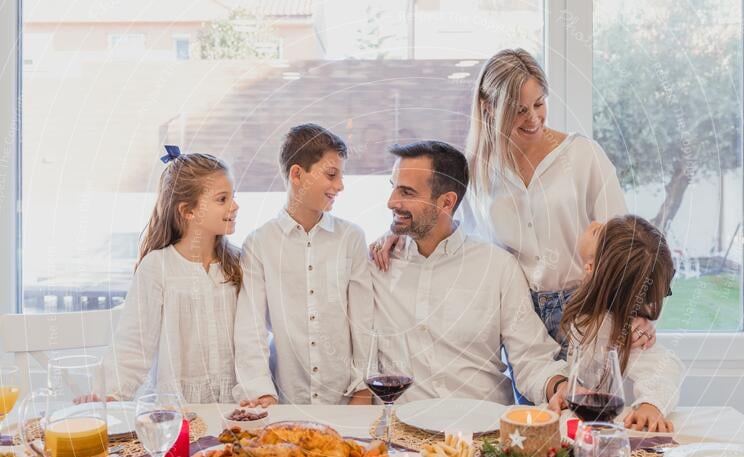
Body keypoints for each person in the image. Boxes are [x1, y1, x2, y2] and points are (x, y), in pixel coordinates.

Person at [371, 48, 655, 403]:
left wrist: (635, 312)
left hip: (587, 308)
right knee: (535, 436)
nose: (533, 117)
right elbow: (442, 217)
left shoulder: (583, 157)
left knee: (591, 422)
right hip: (517, 314)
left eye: (539, 103)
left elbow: (624, 242)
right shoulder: (478, 170)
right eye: (519, 109)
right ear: (489, 108)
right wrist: (393, 230)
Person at [370, 140, 567, 405]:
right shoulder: (377, 264)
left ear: (446, 202)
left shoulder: (497, 267)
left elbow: (531, 358)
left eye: (406, 192)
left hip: (482, 432)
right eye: (393, 187)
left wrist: (560, 387)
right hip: (402, 435)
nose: (391, 202)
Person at [234, 124, 373, 406]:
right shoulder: (259, 243)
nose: (340, 186)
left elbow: (364, 322)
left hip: (344, 401)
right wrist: (261, 392)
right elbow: (251, 329)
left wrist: (363, 389)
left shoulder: (351, 238)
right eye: (331, 175)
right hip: (284, 401)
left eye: (341, 176)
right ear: (297, 174)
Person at [104, 146, 242, 403]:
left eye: (234, 196)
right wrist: (113, 395)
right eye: (222, 199)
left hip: (237, 410)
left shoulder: (239, 263)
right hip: (178, 413)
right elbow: (134, 343)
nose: (235, 206)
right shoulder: (158, 268)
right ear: (188, 211)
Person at [546, 216, 683, 432]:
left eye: (599, 234)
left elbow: (666, 368)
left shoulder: (625, 331)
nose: (596, 224)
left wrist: (651, 405)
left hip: (607, 435)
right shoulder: (590, 311)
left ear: (590, 268)